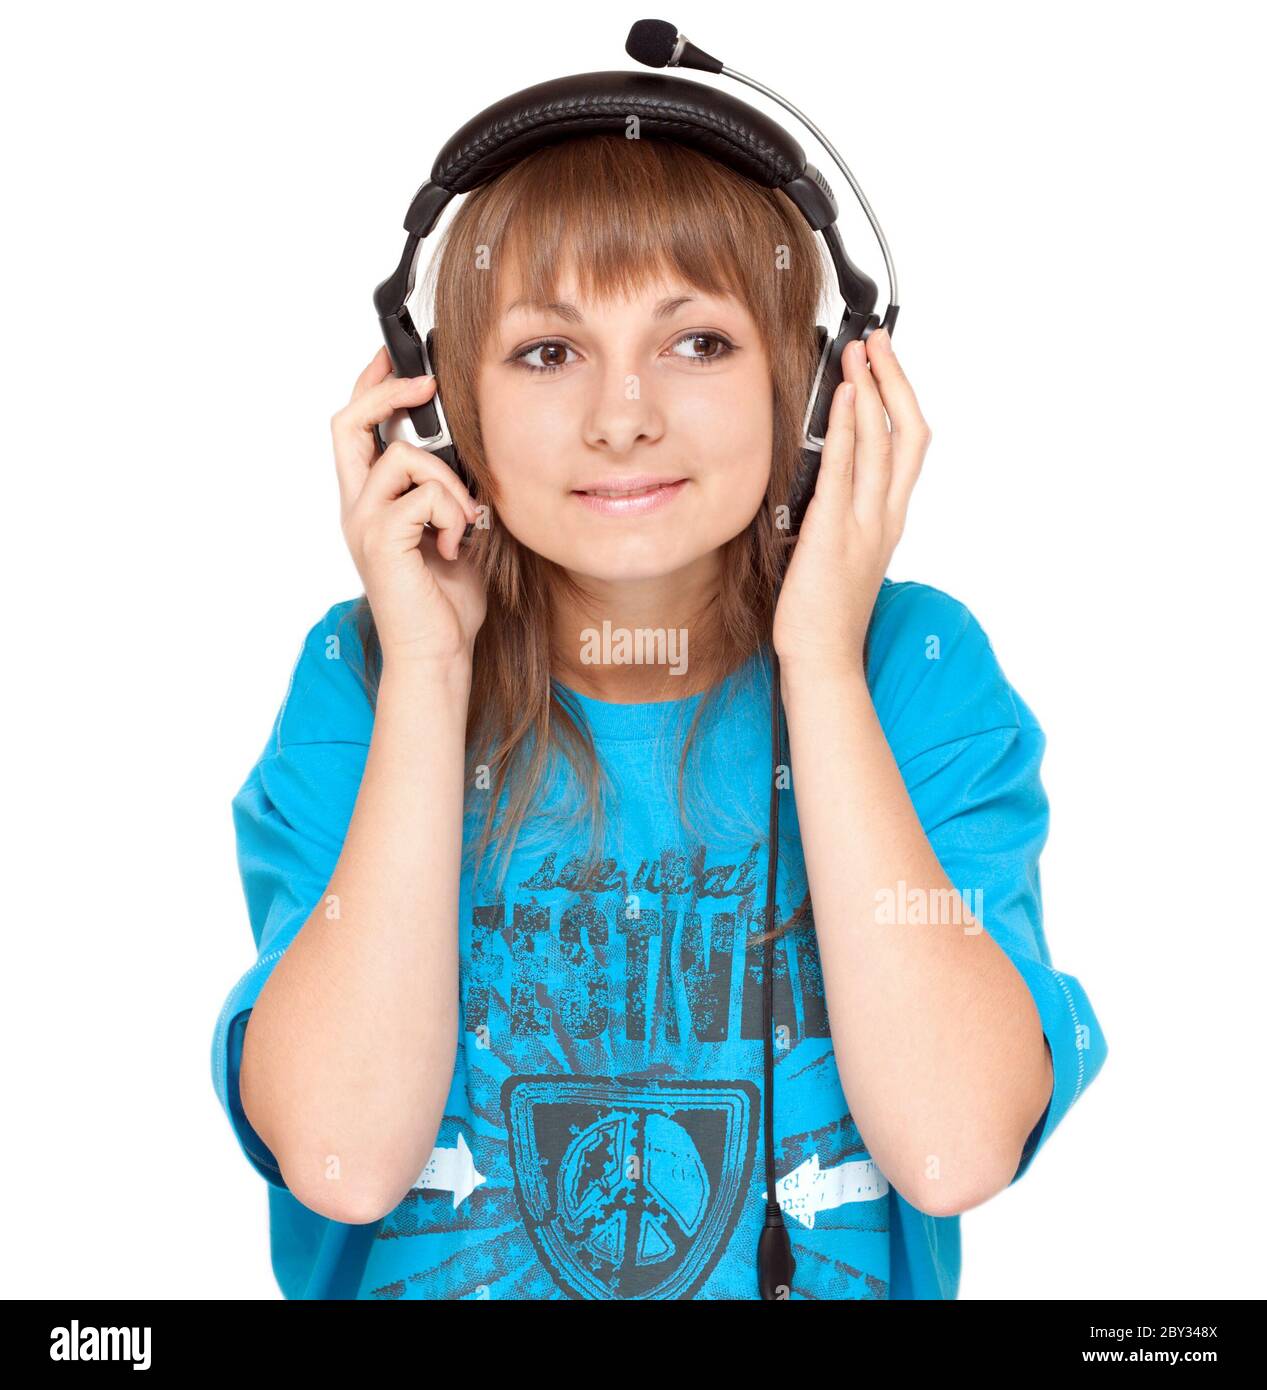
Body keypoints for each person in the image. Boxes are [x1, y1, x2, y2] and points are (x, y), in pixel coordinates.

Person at [210, 132, 1107, 1300]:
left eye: (695, 343)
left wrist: (821, 663)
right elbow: (342, 1157)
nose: (620, 417)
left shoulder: (908, 674)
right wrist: (432, 671)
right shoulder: (367, 676)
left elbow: (958, 1145)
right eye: (546, 350)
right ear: (440, 411)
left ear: (820, 389)